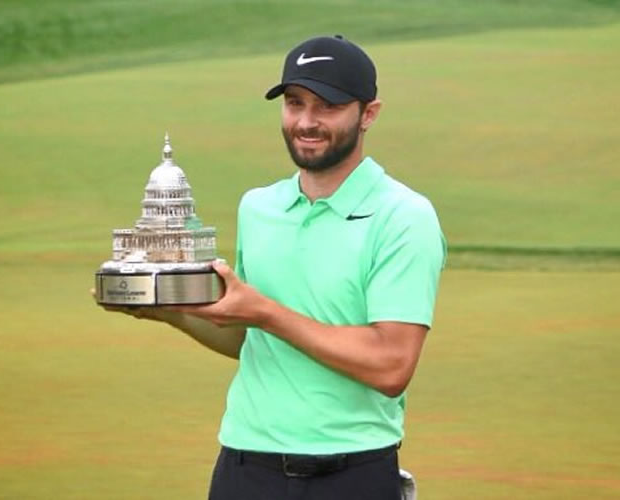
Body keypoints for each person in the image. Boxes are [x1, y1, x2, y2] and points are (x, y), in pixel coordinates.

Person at [99, 35, 445, 500]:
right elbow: (251, 339)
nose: (306, 121)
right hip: (245, 466)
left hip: (351, 473)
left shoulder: (404, 216)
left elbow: (391, 365)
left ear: (369, 114)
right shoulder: (259, 207)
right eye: (295, 103)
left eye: (327, 106)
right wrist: (167, 309)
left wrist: (264, 311)